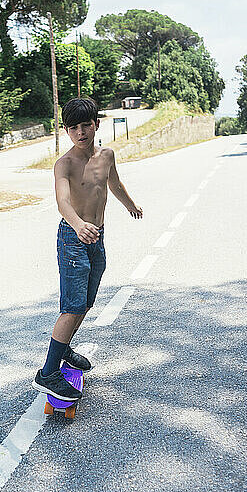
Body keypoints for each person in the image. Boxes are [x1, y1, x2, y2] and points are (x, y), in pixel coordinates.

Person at [32, 97, 143, 401]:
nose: (80, 132)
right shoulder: (64, 164)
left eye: (85, 125)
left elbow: (114, 184)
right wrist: (78, 224)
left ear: (96, 124)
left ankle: (64, 348)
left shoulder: (107, 155)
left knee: (87, 302)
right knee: (73, 305)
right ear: (66, 131)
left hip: (97, 237)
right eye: (73, 127)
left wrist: (130, 204)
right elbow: (63, 201)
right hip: (73, 237)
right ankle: (48, 373)